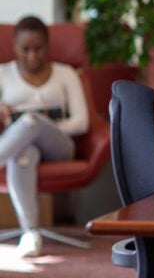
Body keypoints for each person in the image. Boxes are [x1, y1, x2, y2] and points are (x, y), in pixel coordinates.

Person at [0, 16, 88, 258]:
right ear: (14, 47)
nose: (32, 56)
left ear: (48, 46)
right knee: (24, 154)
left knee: (31, 121)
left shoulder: (66, 73)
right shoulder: (3, 74)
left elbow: (81, 122)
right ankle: (30, 234)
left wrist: (42, 124)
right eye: (25, 49)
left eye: (38, 48)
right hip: (18, 145)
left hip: (59, 145)